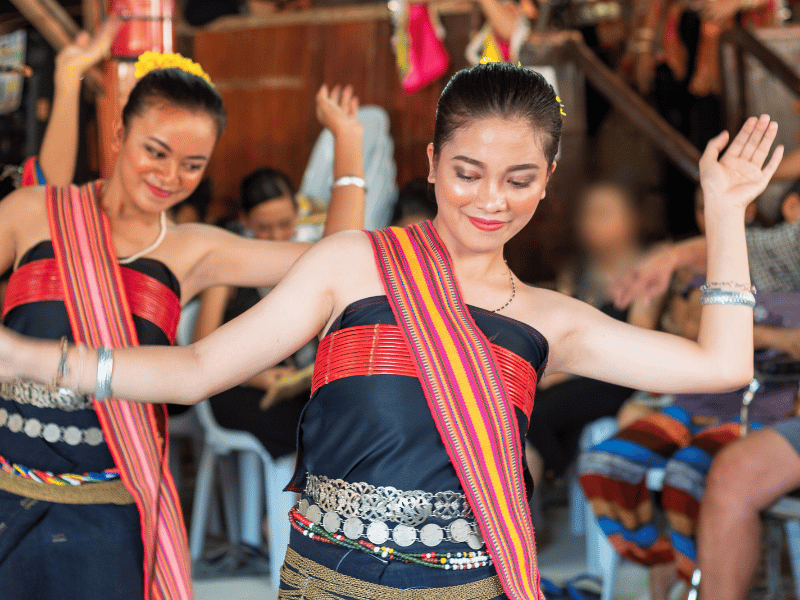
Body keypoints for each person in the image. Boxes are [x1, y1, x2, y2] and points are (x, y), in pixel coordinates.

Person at [0, 63, 781, 600]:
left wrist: (722, 213)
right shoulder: (352, 265)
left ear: (546, 182)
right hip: (326, 583)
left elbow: (721, 362)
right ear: (433, 163)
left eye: (518, 180)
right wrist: (35, 356)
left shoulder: (551, 318)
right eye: (468, 172)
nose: (490, 200)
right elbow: (195, 368)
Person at [0, 50, 365, 599]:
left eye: (192, 164)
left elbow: (340, 261)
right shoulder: (32, 213)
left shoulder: (192, 251)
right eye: (156, 151)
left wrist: (348, 142)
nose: (170, 176)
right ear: (120, 134)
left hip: (112, 516)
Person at [525, 181, 663, 493]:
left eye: (604, 213)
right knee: (516, 404)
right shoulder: (575, 271)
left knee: (533, 415)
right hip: (575, 374)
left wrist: (564, 372)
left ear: (632, 219)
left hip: (618, 379)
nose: (592, 222)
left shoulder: (648, 272)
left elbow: (638, 348)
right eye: (588, 213)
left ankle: (552, 474)